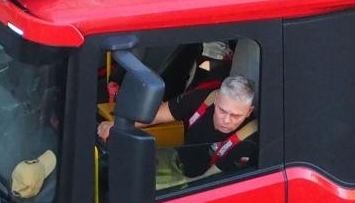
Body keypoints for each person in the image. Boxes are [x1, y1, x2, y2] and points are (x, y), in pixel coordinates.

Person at [98, 74, 257, 179]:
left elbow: (208, 181)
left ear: (249, 111)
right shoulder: (204, 97)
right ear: (216, 99)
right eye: (222, 111)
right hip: (177, 157)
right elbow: (158, 115)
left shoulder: (249, 138)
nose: (227, 120)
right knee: (110, 166)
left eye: (236, 116)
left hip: (197, 180)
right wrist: (118, 125)